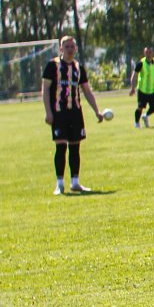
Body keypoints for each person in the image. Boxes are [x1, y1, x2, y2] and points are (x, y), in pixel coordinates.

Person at [42, 35, 105, 194]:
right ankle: (60, 183)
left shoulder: (78, 68)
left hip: (75, 113)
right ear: (61, 49)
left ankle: (75, 182)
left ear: (76, 49)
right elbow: (45, 90)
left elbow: (87, 91)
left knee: (75, 147)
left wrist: (97, 111)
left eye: (72, 46)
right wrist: (48, 112)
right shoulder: (52, 66)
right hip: (59, 113)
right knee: (61, 146)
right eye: (67, 47)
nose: (70, 49)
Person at [131, 47, 154, 127]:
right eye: (146, 53)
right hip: (142, 90)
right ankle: (137, 123)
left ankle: (146, 116)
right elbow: (134, 76)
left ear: (152, 53)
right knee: (140, 108)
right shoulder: (141, 63)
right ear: (144, 53)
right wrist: (132, 88)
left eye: (149, 52)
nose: (148, 54)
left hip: (153, 90)